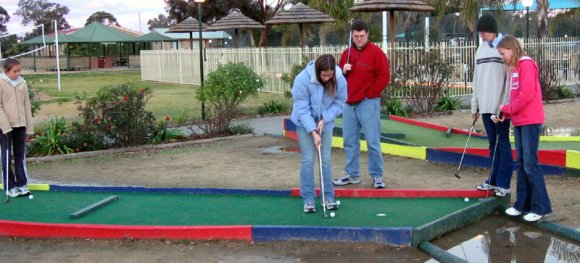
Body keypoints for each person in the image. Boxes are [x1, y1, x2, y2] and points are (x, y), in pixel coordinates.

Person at [496, 35, 552, 222]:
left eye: (503, 53)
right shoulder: (514, 68)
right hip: (519, 120)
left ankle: (540, 206)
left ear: (511, 49)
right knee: (520, 163)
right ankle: (522, 204)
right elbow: (514, 96)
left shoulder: (526, 65)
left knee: (530, 163)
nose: (502, 57)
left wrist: (509, 109)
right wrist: (507, 112)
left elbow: (526, 94)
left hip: (530, 120)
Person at [333, 19, 390, 189]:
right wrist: (343, 70)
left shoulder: (377, 53)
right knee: (350, 140)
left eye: (362, 36)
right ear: (351, 35)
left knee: (373, 141)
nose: (358, 39)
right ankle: (352, 174)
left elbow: (384, 77)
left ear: (367, 34)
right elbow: (338, 76)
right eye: (356, 36)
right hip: (348, 103)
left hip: (367, 103)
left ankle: (377, 176)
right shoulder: (347, 53)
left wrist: (370, 94)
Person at [290, 54, 347, 213]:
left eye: (330, 75)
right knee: (308, 159)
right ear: (317, 71)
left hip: (325, 123)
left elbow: (340, 102)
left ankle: (328, 197)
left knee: (326, 159)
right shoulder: (302, 79)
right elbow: (302, 108)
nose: (327, 78)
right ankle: (308, 199)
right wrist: (313, 131)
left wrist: (325, 119)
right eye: (324, 75)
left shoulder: (340, 79)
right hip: (304, 123)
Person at [471, 14, 513, 197]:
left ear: (492, 30)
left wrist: (504, 105)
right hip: (486, 106)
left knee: (503, 144)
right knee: (492, 144)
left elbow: (509, 80)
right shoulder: (480, 50)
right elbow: (476, 80)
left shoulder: (505, 48)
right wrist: (475, 106)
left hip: (501, 107)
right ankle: (493, 181)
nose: (481, 35)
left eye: (483, 31)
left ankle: (504, 184)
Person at [0, 58, 34, 198]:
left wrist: (29, 128)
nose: (18, 73)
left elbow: (27, 105)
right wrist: (5, 126)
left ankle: (22, 184)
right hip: (5, 127)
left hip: (21, 125)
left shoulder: (22, 83)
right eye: (15, 71)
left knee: (20, 156)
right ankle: (10, 186)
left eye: (19, 70)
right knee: (6, 156)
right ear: (6, 71)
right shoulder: (1, 82)